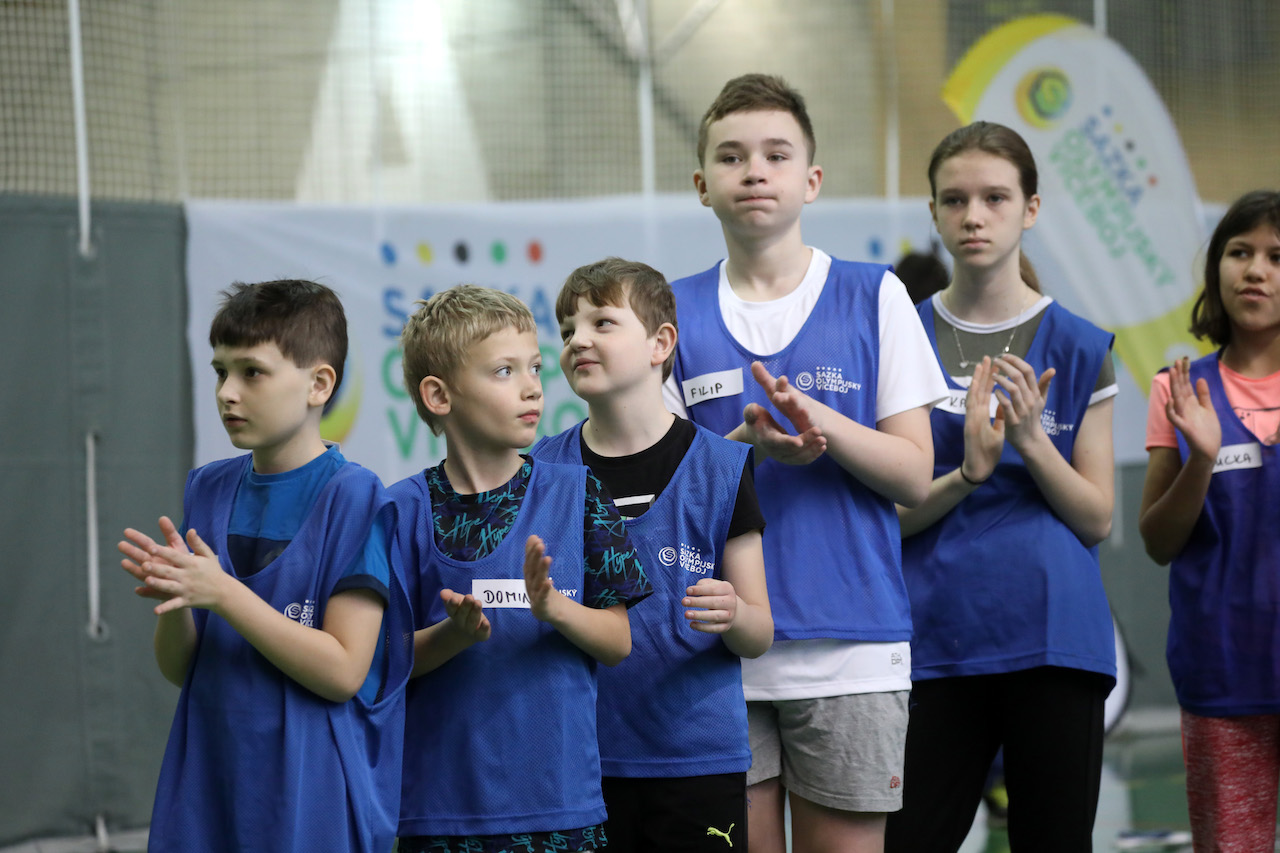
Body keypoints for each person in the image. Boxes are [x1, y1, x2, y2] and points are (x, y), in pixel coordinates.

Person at [662, 73, 948, 853]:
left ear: (811, 180)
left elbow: (914, 475)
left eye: (776, 154)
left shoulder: (875, 295)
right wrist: (745, 445)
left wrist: (823, 422)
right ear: (702, 185)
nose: (755, 170)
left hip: (853, 651)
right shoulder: (671, 314)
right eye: (731, 156)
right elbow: (664, 495)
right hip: (715, 654)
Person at [884, 121, 1118, 853]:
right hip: (932, 638)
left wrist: (1031, 442)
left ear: (1031, 208)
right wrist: (966, 475)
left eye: (995, 198)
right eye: (955, 200)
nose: (974, 216)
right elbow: (887, 517)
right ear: (933, 213)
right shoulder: (898, 336)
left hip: (1053, 636)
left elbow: (1097, 518)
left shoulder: (1080, 344)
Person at [118, 279, 412, 852]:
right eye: (220, 372)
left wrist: (223, 593)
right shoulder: (207, 488)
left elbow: (344, 672)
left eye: (252, 372)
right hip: (210, 781)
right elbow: (182, 669)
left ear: (319, 385)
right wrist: (175, 600)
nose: (227, 393)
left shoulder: (356, 498)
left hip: (309, 793)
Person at [390, 284, 653, 853]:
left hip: (561, 812)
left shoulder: (580, 492)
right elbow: (377, 662)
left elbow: (618, 642)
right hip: (436, 817)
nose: (533, 386)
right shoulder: (398, 510)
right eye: (504, 371)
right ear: (438, 395)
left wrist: (555, 608)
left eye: (534, 367)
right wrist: (453, 637)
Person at [534, 257, 774, 852]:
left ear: (660, 344)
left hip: (698, 763)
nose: (577, 340)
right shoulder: (540, 472)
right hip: (577, 761)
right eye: (566, 330)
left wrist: (734, 614)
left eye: (602, 322)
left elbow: (760, 632)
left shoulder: (723, 466)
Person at [1138, 190, 1280, 852]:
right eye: (1240, 252)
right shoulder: (1178, 389)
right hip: (1223, 671)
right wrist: (1200, 457)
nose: (1256, 270)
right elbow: (1158, 540)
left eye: (1277, 257)